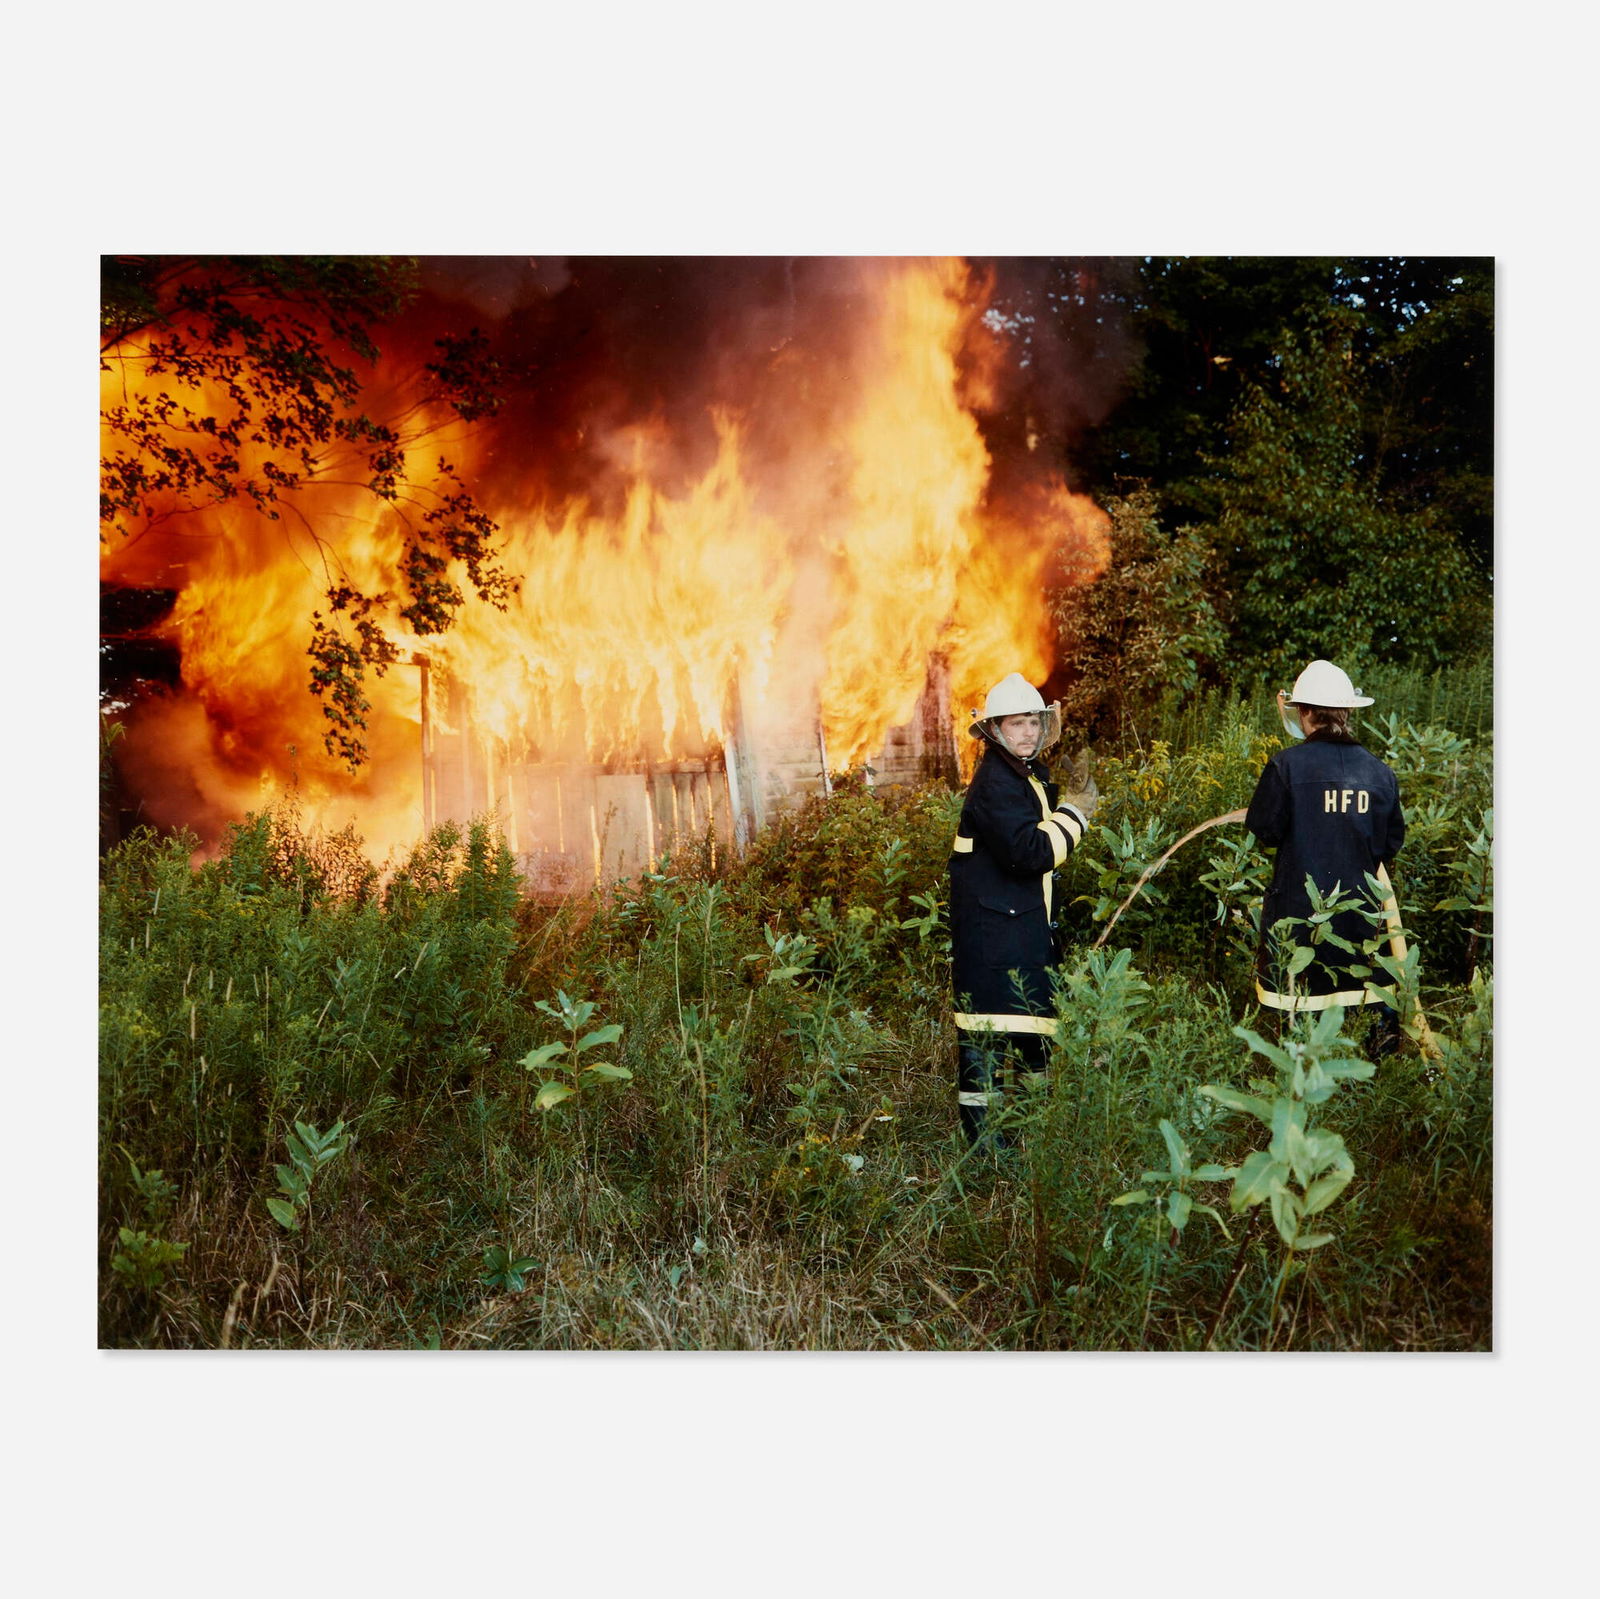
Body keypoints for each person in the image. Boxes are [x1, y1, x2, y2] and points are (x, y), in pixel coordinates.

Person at [948, 672, 1097, 1148]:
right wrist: (1076, 814)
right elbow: (1028, 853)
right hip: (996, 939)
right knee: (988, 1040)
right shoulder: (996, 782)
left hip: (1018, 930)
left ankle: (1034, 1138)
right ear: (995, 730)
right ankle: (988, 1154)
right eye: (1017, 724)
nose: (1029, 733)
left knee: (1032, 1033)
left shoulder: (1024, 774)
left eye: (1034, 722)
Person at [1245, 659, 1406, 1037]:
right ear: (1348, 712)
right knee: (1365, 1005)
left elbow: (1264, 830)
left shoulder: (1286, 766)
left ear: (1303, 712)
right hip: (1362, 917)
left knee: (1298, 1011)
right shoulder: (1380, 773)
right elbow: (1390, 843)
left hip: (1299, 917)